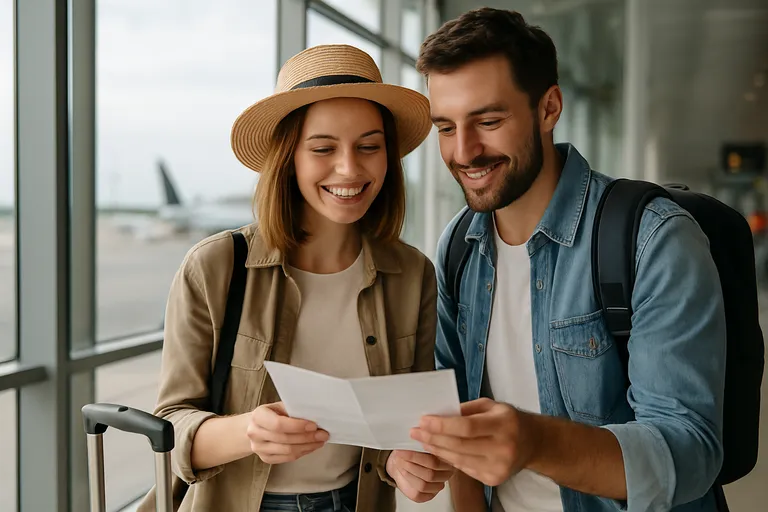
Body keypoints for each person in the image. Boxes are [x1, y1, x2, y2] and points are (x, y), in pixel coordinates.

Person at [408, 8, 727, 512]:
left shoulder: (654, 240)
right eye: (446, 127)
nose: (464, 151)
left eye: (488, 121)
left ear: (549, 108)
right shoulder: (457, 247)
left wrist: (537, 442)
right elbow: (453, 421)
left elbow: (689, 454)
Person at [140, 44, 454, 512]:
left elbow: (402, 423)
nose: (349, 168)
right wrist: (248, 432)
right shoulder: (214, 266)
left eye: (369, 146)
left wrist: (404, 462)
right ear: (288, 158)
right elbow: (170, 427)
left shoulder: (413, 275)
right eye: (323, 148)